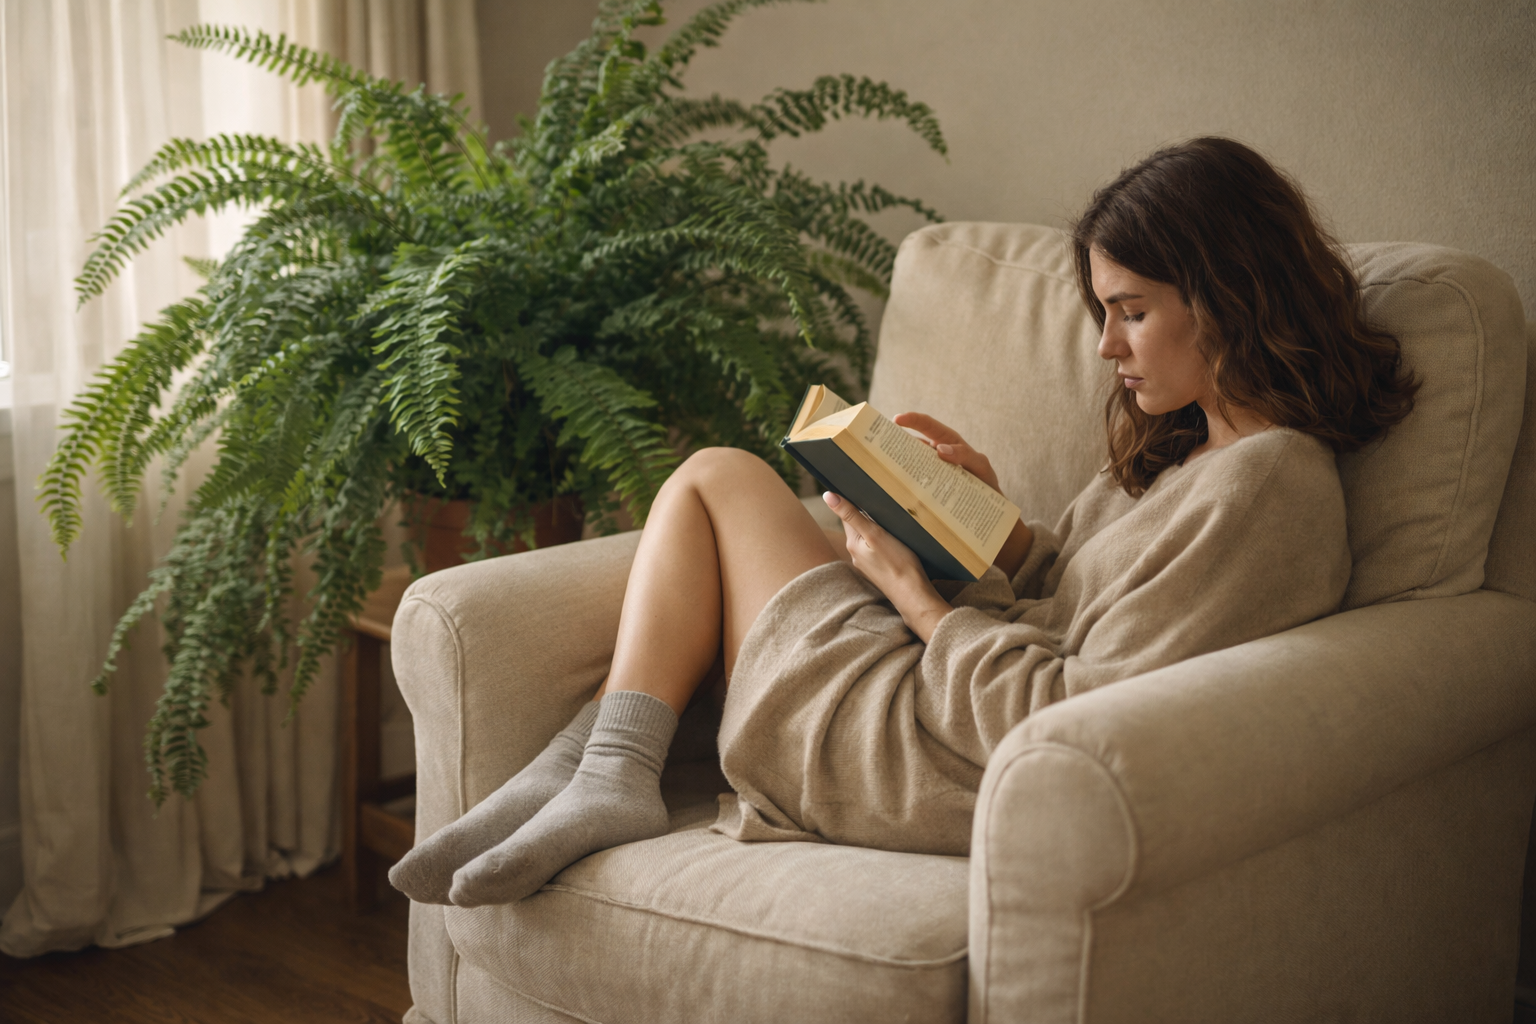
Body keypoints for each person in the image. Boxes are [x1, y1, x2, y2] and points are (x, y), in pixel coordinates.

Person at [388, 136, 1419, 907]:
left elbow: (1073, 711)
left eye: (1133, 310)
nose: (1108, 346)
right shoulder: (1207, 449)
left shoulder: (1269, 489)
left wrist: (918, 597)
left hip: (946, 760)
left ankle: (604, 769)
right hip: (950, 701)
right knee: (719, 486)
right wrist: (992, 521)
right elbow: (1084, 598)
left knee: (715, 481)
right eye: (1104, 310)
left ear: (1231, 294)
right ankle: (590, 767)